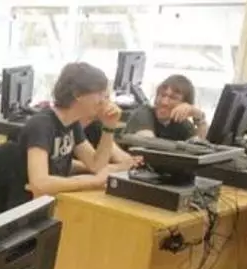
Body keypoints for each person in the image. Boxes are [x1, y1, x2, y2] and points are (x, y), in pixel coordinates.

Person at [20, 62, 125, 197]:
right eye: (99, 94)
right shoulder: (41, 125)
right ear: (77, 94)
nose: (104, 101)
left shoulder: (72, 124)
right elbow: (40, 184)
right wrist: (93, 181)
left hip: (56, 198)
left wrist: (109, 127)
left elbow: (96, 165)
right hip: (31, 205)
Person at [124, 74, 206, 141]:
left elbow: (200, 147)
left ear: (185, 104)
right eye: (162, 95)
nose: (164, 102)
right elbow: (149, 146)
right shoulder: (143, 114)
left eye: (173, 98)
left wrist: (198, 115)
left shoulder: (182, 124)